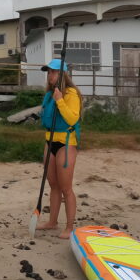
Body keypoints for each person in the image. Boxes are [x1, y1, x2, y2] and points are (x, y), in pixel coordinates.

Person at [36, 57, 82, 239]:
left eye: (54, 72)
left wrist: (60, 100)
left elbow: (72, 119)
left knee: (66, 188)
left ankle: (70, 227)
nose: (50, 75)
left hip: (66, 143)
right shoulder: (49, 95)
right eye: (48, 72)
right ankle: (52, 221)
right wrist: (54, 99)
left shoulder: (71, 94)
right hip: (50, 141)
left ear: (62, 74)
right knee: (53, 185)